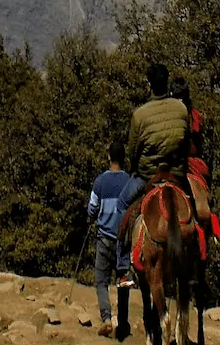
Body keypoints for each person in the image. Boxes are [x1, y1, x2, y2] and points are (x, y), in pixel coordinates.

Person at [116, 63, 190, 270]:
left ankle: (122, 267)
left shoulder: (140, 115)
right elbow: (185, 143)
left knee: (121, 205)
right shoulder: (182, 109)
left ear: (149, 85)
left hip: (148, 176)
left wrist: (136, 169)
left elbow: (132, 151)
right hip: (176, 174)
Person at [87, 141, 132, 337]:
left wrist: (90, 219)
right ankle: (122, 322)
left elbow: (92, 207)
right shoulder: (129, 182)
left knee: (101, 281)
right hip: (124, 241)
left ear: (108, 157)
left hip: (104, 237)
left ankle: (106, 318)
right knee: (123, 282)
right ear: (123, 158)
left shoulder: (100, 182)